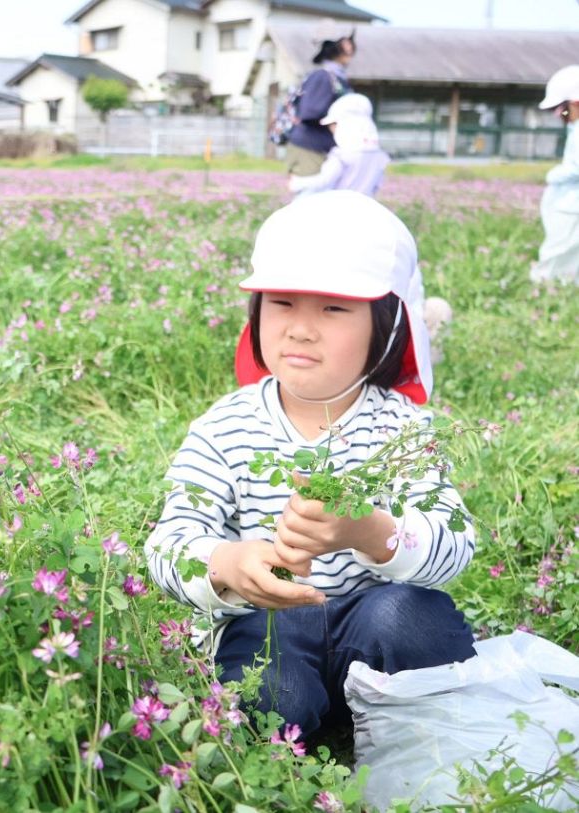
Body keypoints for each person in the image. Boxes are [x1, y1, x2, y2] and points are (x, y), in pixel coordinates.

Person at [145, 191, 476, 737]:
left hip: (372, 623)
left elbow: (454, 544)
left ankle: (393, 723)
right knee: (271, 698)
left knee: (410, 619)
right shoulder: (223, 426)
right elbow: (169, 541)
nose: (301, 327)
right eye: (282, 303)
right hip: (266, 624)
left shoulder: (404, 428)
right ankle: (304, 733)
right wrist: (227, 565)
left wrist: (373, 533)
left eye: (333, 308)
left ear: (387, 324)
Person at [289, 93, 389, 198]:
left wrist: (296, 183)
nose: (332, 131)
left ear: (344, 125)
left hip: (340, 208)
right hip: (364, 208)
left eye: (333, 126)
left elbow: (324, 181)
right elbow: (376, 186)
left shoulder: (341, 156)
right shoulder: (379, 156)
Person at [532, 64, 579, 284]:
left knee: (558, 252)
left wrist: (554, 175)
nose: (562, 116)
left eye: (565, 109)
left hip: (572, 207)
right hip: (569, 203)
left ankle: (542, 291)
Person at [286, 30, 355, 178]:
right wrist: (334, 125)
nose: (350, 48)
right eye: (346, 45)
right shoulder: (323, 76)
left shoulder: (338, 78)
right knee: (310, 197)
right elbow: (310, 112)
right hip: (309, 146)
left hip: (325, 148)